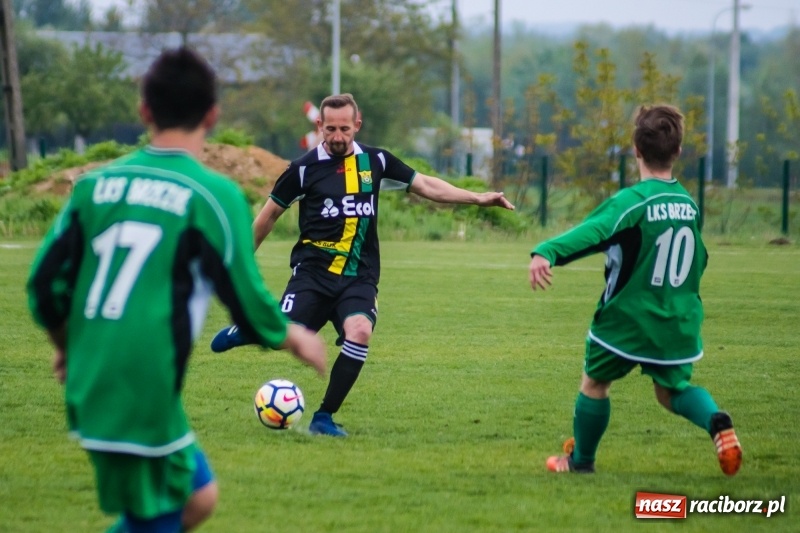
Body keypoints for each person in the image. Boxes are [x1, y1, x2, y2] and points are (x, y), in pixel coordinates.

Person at [26, 47, 326, 533]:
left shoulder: (93, 187)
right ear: (213, 114)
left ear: (144, 111)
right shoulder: (212, 194)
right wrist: (294, 337)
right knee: (160, 516)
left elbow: (43, 288)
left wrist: (67, 348)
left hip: (95, 383)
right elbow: (246, 299)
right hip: (141, 388)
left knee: (198, 498)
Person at [211, 93, 514, 437]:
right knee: (283, 338)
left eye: (344, 129)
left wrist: (476, 197)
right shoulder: (302, 170)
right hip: (312, 275)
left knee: (360, 332)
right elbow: (267, 218)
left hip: (359, 277)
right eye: (330, 129)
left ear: (357, 124)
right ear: (318, 126)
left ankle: (323, 417)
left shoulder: (377, 161)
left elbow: (426, 184)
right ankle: (250, 330)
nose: (337, 136)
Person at [529, 104, 742, 476]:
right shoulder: (688, 205)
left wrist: (547, 251)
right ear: (677, 151)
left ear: (636, 150)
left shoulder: (632, 202)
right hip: (677, 319)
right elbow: (701, 259)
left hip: (627, 320)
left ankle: (581, 462)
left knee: (595, 383)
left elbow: (593, 233)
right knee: (672, 391)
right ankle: (715, 422)